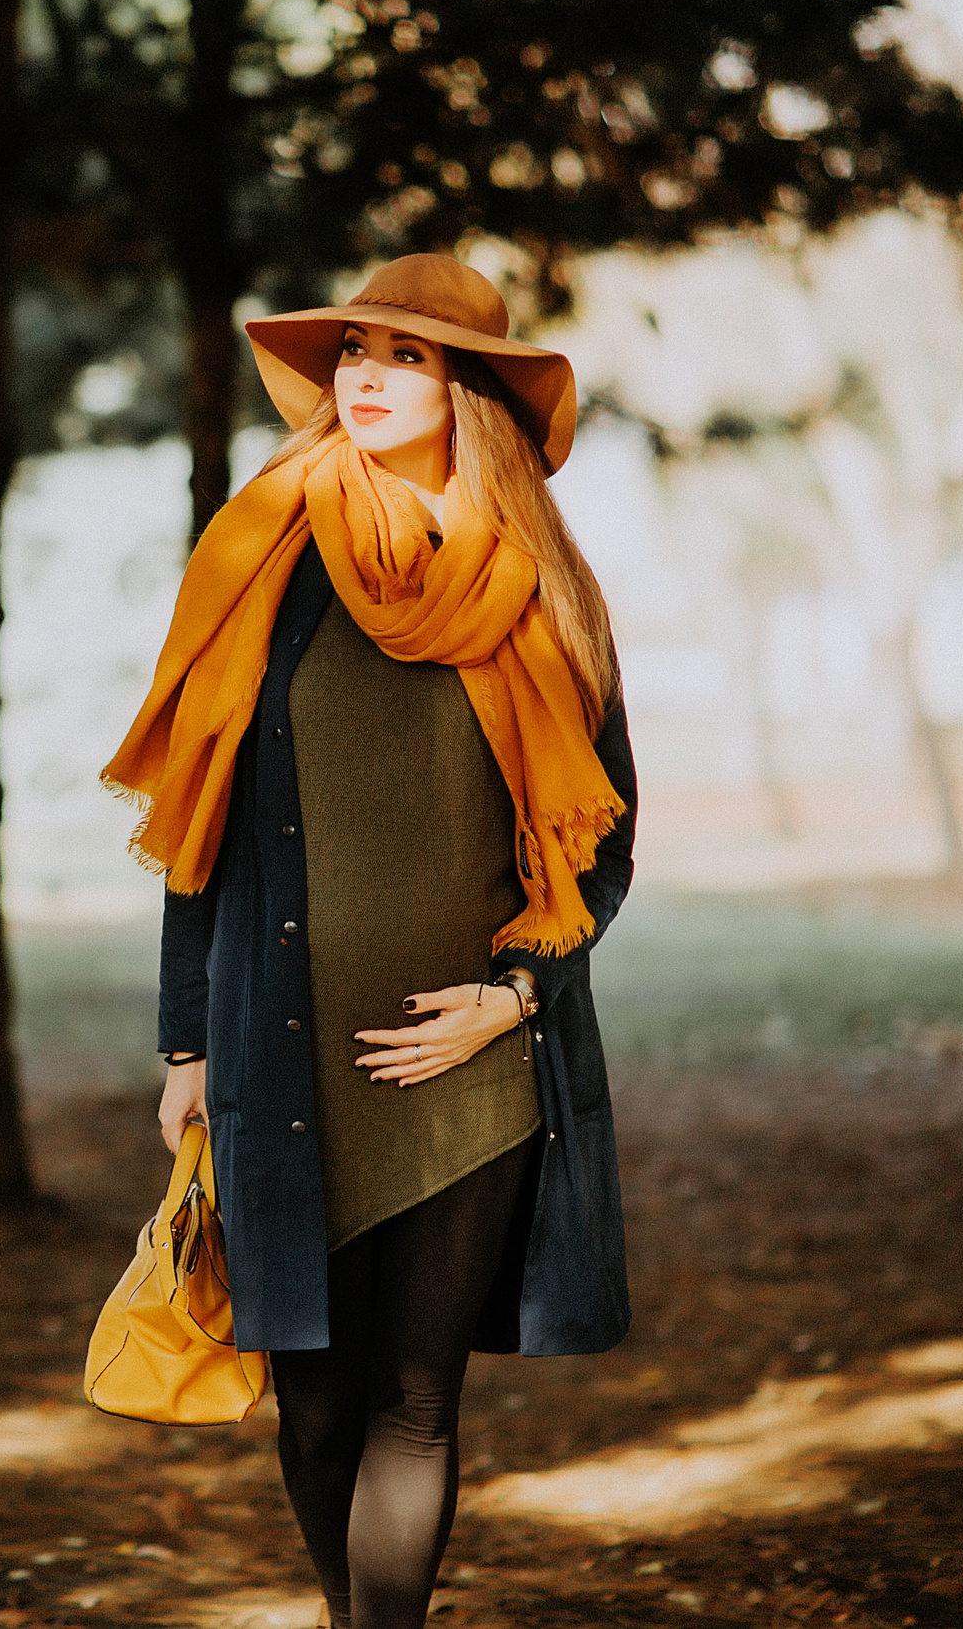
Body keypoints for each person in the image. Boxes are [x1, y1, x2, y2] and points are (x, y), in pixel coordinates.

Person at [101, 253, 639, 1629]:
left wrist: (517, 999)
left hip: (467, 1056)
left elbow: (600, 842)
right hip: (281, 1052)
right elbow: (197, 820)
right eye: (353, 353)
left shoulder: (545, 594)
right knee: (317, 1407)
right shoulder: (264, 565)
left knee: (414, 1394)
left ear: (472, 397)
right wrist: (182, 1041)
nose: (368, 377)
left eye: (406, 358)